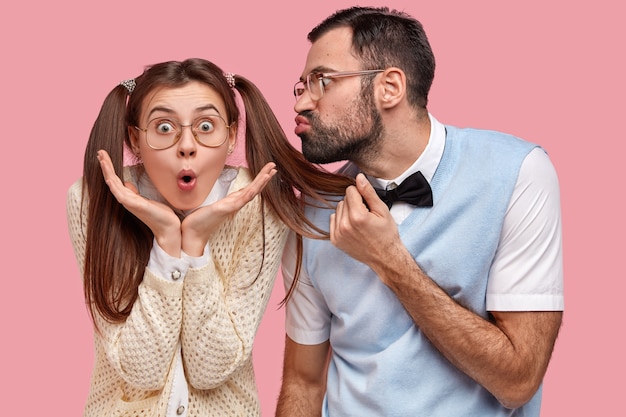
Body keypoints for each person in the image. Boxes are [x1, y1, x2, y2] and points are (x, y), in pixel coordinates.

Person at [276, 6, 564, 417]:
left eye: (321, 81)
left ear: (389, 87)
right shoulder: (313, 208)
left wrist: (388, 259)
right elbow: (302, 383)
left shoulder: (518, 173)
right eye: (300, 86)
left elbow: (517, 382)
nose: (301, 102)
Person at [66, 58, 351, 417]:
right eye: (164, 127)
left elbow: (211, 369)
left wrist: (196, 247)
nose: (187, 146)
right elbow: (140, 370)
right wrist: (167, 243)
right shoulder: (91, 200)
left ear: (231, 135)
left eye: (205, 126)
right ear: (135, 138)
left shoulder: (261, 203)